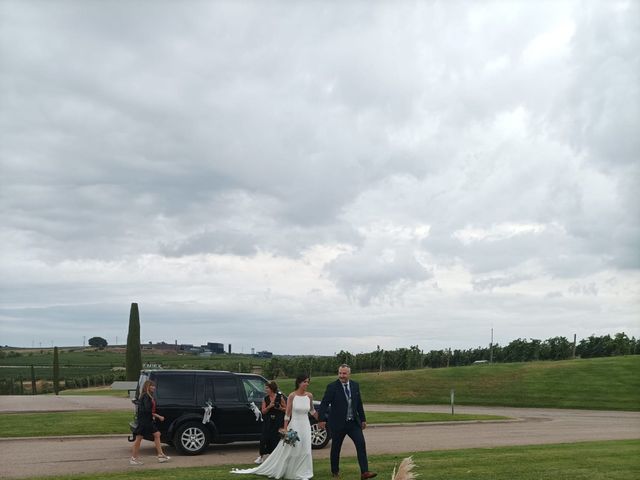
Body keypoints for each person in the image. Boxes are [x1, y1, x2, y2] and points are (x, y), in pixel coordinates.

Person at [232, 374, 317, 480]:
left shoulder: (309, 396)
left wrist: (320, 419)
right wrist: (285, 429)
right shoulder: (292, 396)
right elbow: (287, 413)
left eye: (308, 382)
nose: (307, 384)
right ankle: (291, 471)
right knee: (294, 449)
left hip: (306, 425)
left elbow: (312, 410)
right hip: (295, 425)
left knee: (306, 449)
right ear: (299, 383)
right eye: (305, 382)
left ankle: (305, 471)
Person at [318, 364, 376, 480]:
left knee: (361, 444)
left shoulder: (355, 385)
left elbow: (359, 403)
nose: (341, 376)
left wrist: (363, 419)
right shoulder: (332, 387)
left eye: (344, 373)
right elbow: (324, 403)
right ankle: (335, 471)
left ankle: (364, 472)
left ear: (349, 374)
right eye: (340, 373)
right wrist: (321, 419)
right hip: (338, 423)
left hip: (353, 423)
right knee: (336, 448)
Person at [130, 380, 171, 465]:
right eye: (152, 386)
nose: (154, 387)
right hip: (145, 421)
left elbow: (148, 410)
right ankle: (133, 459)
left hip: (147, 420)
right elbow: (147, 410)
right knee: (139, 439)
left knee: (157, 434)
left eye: (154, 386)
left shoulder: (148, 396)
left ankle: (160, 455)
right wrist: (158, 416)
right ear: (147, 387)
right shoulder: (146, 396)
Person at [255, 380, 287, 464]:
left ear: (272, 388)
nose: (266, 390)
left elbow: (286, 409)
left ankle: (274, 457)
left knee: (275, 439)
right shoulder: (265, 399)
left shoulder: (280, 397)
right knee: (264, 438)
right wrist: (269, 406)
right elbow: (263, 411)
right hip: (268, 421)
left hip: (278, 420)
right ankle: (261, 456)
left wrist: (280, 408)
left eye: (267, 388)